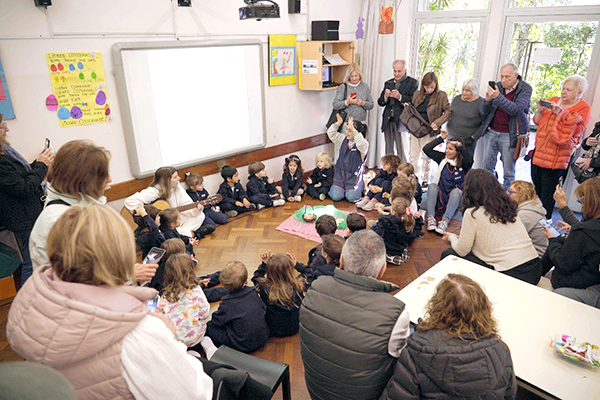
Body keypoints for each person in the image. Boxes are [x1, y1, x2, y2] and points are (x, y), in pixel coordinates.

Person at [7, 205, 213, 399]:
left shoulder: (33, 305)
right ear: (119, 257)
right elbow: (196, 392)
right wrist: (169, 337)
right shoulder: (141, 332)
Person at [300, 230, 410, 400]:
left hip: (316, 390)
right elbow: (400, 355)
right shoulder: (395, 313)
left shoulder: (316, 287)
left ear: (341, 261)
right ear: (383, 269)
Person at [380, 274, 517, 399]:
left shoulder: (416, 352)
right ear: (484, 309)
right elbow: (509, 395)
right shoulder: (500, 351)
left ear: (436, 307)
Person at [441, 169, 542, 285]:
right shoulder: (509, 208)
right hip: (535, 269)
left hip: (511, 273)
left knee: (448, 254)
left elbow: (462, 250)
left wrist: (452, 238)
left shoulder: (472, 213)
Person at [0, 113, 53, 284]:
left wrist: (38, 163)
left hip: (28, 215)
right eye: (2, 126)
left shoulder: (6, 152)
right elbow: (23, 188)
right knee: (33, 263)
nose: (6, 129)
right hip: (23, 219)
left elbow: (19, 176)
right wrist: (41, 166)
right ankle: (29, 298)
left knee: (36, 261)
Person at [531, 75, 592, 219]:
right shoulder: (553, 100)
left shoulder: (583, 107)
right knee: (537, 189)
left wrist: (561, 114)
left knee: (549, 194)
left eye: (568, 90)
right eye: (563, 88)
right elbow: (538, 121)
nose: (564, 92)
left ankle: (545, 223)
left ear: (579, 92)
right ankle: (534, 220)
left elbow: (575, 132)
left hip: (557, 158)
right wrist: (540, 111)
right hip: (539, 152)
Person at [542, 177, 600, 303]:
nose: (582, 205)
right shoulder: (585, 230)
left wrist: (552, 239)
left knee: (558, 242)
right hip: (594, 276)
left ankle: (536, 277)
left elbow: (563, 264)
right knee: (561, 242)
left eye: (582, 201)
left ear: (590, 202)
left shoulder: (583, 231)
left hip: (581, 281)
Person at [480, 63, 532, 190]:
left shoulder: (525, 89)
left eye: (507, 77)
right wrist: (486, 101)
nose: (503, 80)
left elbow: (516, 109)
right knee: (487, 169)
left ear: (516, 76)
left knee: (508, 172)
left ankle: (509, 198)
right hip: (491, 132)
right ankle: (488, 194)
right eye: (502, 76)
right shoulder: (498, 86)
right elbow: (483, 112)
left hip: (510, 135)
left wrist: (498, 97)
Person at [125, 166, 214, 239]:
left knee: (200, 216)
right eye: (175, 177)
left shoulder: (177, 188)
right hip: (162, 225)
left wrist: (197, 209)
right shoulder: (155, 191)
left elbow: (186, 204)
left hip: (175, 218)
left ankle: (183, 235)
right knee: (166, 230)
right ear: (167, 180)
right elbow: (130, 202)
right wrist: (146, 215)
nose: (179, 178)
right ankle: (191, 235)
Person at [205, 261, 269, 353]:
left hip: (242, 344)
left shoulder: (227, 303)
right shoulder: (254, 292)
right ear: (246, 281)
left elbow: (216, 321)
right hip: (263, 337)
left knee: (209, 327)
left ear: (225, 286)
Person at [423, 130, 473, 234]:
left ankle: (445, 221)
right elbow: (426, 149)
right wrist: (441, 138)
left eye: (451, 149)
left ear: (458, 151)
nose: (447, 151)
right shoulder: (442, 158)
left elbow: (470, 160)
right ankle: (431, 218)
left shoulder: (464, 163)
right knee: (432, 186)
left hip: (455, 198)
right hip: (441, 193)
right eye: (446, 148)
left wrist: (460, 146)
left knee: (456, 191)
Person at [158, 253, 210, 350]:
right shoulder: (196, 289)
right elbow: (205, 313)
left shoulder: (164, 296)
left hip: (177, 342)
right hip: (197, 337)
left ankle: (191, 353)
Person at [409, 72, 452, 187]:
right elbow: (413, 110)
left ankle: (425, 180)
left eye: (431, 87)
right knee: (413, 156)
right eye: (426, 87)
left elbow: (448, 111)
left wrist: (437, 123)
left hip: (429, 130)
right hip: (415, 129)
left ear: (436, 85)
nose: (429, 90)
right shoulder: (417, 94)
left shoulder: (441, 95)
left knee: (426, 157)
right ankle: (415, 179)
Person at [252, 252, 307, 337]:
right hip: (294, 327)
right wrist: (296, 264)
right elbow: (310, 272)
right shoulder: (299, 285)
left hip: (274, 329)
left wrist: (264, 265)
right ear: (290, 270)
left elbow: (256, 277)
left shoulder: (264, 288)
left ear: (269, 271)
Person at [378, 60, 419, 160]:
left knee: (402, 150)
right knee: (389, 151)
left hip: (402, 121)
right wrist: (385, 96)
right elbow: (380, 102)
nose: (396, 74)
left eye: (399, 71)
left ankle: (403, 169)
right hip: (388, 120)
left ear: (405, 70)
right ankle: (389, 169)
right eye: (395, 71)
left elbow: (414, 101)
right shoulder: (388, 83)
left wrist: (400, 97)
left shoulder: (413, 83)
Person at [328, 113, 369, 202]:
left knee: (351, 198)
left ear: (356, 132)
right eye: (347, 130)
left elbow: (361, 143)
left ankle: (363, 182)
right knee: (336, 196)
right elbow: (331, 134)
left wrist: (354, 130)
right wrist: (338, 123)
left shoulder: (363, 144)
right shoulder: (343, 139)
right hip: (340, 175)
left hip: (354, 177)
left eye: (349, 131)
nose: (346, 132)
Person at [508, 180, 548, 258]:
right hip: (538, 253)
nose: (507, 194)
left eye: (511, 192)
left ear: (522, 196)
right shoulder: (534, 208)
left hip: (534, 257)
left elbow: (509, 237)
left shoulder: (525, 215)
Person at [447, 78, 485, 155]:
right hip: (451, 137)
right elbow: (450, 113)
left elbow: (485, 122)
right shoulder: (457, 99)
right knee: (449, 160)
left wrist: (474, 137)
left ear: (474, 91)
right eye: (463, 89)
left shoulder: (481, 103)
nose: (464, 93)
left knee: (465, 161)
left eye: (467, 91)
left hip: (467, 141)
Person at [373, 197, 414, 265]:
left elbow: (379, 227)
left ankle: (387, 257)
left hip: (389, 249)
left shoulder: (387, 223)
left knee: (375, 227)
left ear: (393, 211)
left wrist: (381, 215)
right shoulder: (409, 220)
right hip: (400, 248)